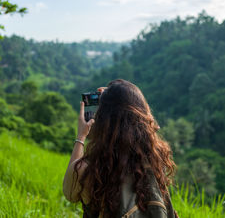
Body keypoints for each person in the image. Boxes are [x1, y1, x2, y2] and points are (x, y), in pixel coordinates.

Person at [63, 79, 178, 218]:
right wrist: (119, 95)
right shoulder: (154, 159)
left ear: (103, 120)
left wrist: (80, 136)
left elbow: (69, 194)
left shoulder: (88, 170)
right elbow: (148, 125)